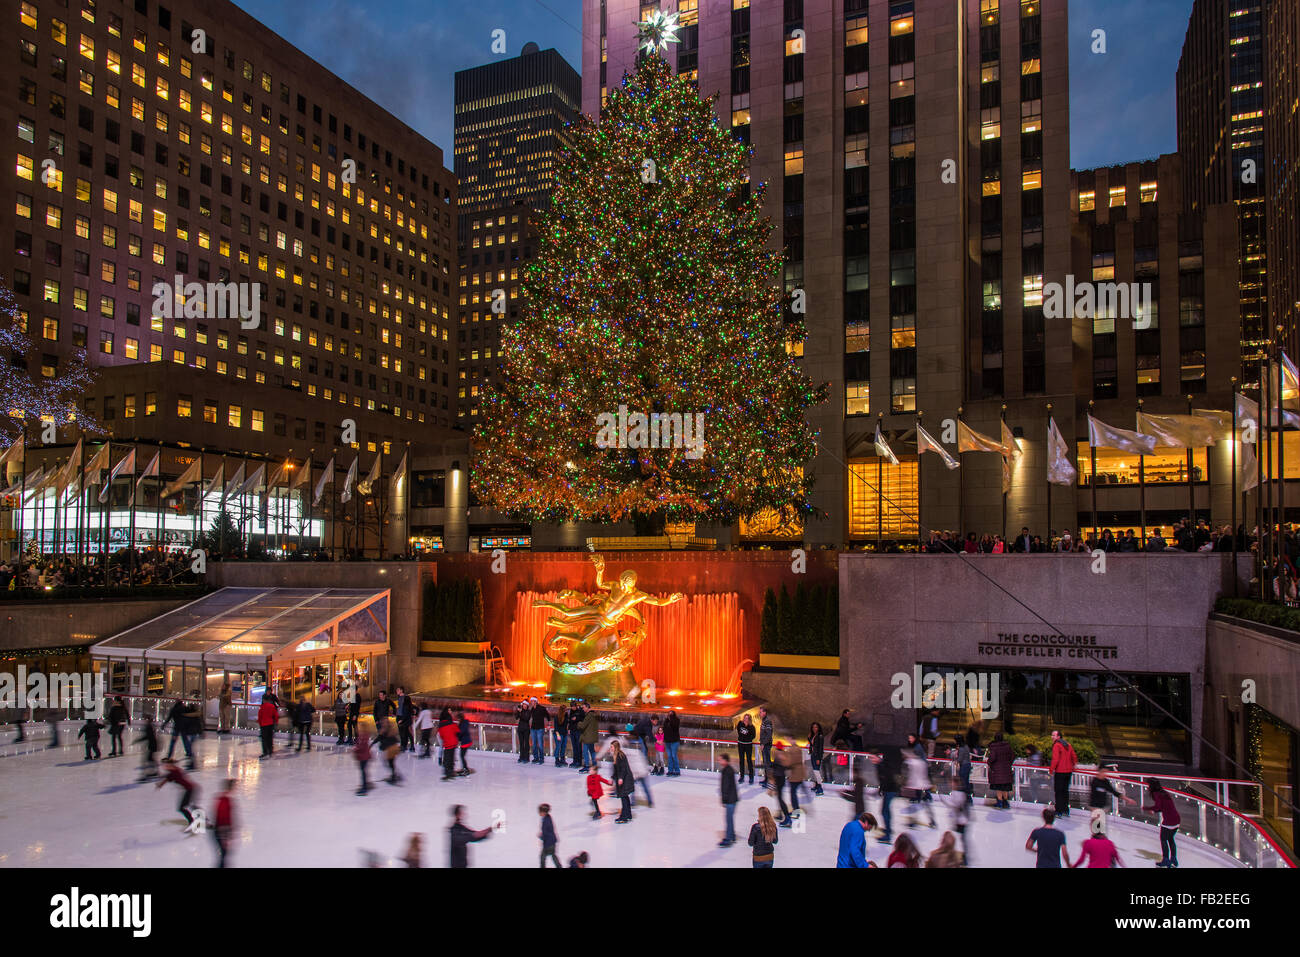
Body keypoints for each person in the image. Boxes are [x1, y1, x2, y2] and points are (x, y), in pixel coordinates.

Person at [1145, 779, 1182, 868]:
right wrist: (1153, 810)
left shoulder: (1156, 794)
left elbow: (1158, 807)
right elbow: (1162, 807)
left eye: (1148, 785)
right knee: (1170, 839)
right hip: (1176, 819)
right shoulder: (1164, 793)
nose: (1147, 787)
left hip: (1169, 821)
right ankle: (1173, 859)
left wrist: (1146, 808)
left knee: (1163, 839)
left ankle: (1166, 860)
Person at [1088, 767, 1136, 835]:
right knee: (1096, 829)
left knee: (1101, 830)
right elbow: (1093, 796)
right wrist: (1095, 810)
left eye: (1106, 772)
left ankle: (1100, 841)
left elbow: (1114, 792)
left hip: (1103, 808)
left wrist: (1127, 799)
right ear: (1099, 772)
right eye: (1103, 772)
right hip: (1095, 807)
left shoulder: (1105, 781)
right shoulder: (1094, 782)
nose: (1105, 774)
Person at [157, 758, 198, 826]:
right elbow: (167, 778)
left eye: (165, 765)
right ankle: (199, 819)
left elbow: (166, 779)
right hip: (189, 789)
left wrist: (160, 785)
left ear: (169, 765)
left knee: (182, 807)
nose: (164, 767)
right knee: (188, 806)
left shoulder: (173, 772)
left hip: (189, 789)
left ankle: (193, 821)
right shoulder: (174, 770)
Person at [874, 745, 902, 843]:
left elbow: (886, 778)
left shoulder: (883, 765)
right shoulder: (880, 765)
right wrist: (881, 789)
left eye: (873, 758)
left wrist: (883, 789)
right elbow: (882, 779)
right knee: (885, 810)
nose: (872, 760)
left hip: (891, 789)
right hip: (889, 789)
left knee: (884, 811)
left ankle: (888, 835)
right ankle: (888, 830)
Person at [903, 746, 936, 827]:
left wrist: (906, 784)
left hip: (915, 786)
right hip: (924, 786)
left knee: (914, 804)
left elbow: (908, 775)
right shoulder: (923, 762)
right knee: (926, 804)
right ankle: (932, 820)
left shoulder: (911, 762)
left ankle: (913, 821)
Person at [1050, 729, 1077, 817]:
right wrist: (1073, 766)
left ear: (1058, 737)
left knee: (1058, 791)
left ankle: (1058, 811)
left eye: (1054, 735)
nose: (1052, 737)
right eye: (1052, 735)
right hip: (1068, 772)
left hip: (1060, 772)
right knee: (1065, 791)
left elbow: (1055, 759)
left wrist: (1051, 770)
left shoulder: (1057, 745)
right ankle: (1065, 810)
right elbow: (1074, 756)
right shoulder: (1068, 745)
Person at [985, 731, 1015, 809]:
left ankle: (1000, 802)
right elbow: (1012, 756)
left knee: (998, 787)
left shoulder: (994, 747)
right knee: (1005, 787)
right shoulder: (1007, 746)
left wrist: (989, 762)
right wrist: (1008, 763)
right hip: (1006, 769)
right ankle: (1006, 802)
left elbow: (992, 757)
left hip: (997, 770)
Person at [212, 779, 236, 868]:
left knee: (224, 854)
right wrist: (225, 834)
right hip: (220, 830)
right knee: (224, 854)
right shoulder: (225, 801)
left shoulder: (223, 798)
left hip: (221, 830)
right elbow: (222, 817)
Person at [611, 740, 635, 823]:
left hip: (625, 779)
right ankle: (628, 815)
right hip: (624, 778)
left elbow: (623, 768)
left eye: (612, 747)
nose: (610, 748)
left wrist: (620, 778)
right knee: (625, 797)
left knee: (624, 797)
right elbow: (616, 769)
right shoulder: (616, 755)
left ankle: (624, 816)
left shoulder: (620, 755)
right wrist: (613, 778)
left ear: (615, 747)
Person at [718, 752, 739, 847]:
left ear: (725, 760)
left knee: (728, 819)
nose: (719, 761)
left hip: (730, 799)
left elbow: (725, 786)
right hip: (733, 798)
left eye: (720, 759)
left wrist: (724, 799)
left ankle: (728, 838)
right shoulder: (728, 769)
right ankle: (732, 836)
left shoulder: (726, 771)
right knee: (729, 818)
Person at [377, 717, 402, 785]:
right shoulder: (390, 729)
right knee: (390, 762)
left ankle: (394, 776)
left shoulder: (386, 730)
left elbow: (380, 739)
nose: (382, 723)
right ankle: (395, 775)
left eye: (383, 722)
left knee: (389, 762)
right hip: (393, 748)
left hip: (392, 749)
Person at [134, 714, 159, 780]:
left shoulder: (149, 726)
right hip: (152, 745)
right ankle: (154, 772)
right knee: (150, 759)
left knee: (146, 760)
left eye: (145, 719)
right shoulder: (150, 726)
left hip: (152, 745)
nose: (144, 720)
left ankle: (146, 774)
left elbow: (148, 736)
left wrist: (138, 740)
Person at [438, 711, 460, 781]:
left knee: (447, 759)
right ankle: (451, 772)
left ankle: (448, 774)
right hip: (454, 743)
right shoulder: (453, 724)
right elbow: (458, 731)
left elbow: (441, 736)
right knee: (451, 758)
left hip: (447, 744)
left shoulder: (441, 726)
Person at [736, 713, 756, 784]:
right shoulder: (740, 724)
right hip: (740, 744)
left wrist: (747, 738)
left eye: (747, 718)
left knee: (749, 761)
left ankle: (751, 777)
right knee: (741, 761)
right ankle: (741, 777)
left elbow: (753, 736)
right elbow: (738, 730)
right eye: (745, 718)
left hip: (748, 745)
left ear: (749, 719)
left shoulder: (752, 727)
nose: (745, 719)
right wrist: (742, 737)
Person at [578, 704, 599, 771]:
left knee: (585, 751)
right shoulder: (594, 715)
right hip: (592, 736)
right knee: (592, 751)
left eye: (583, 707)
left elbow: (583, 726)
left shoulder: (589, 715)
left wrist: (578, 723)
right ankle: (594, 765)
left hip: (587, 736)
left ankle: (587, 766)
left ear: (587, 707)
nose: (583, 709)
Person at [807, 722, 826, 795]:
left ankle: (820, 788)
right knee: (815, 772)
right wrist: (809, 738)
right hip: (813, 755)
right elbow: (812, 745)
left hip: (816, 756)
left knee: (817, 772)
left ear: (818, 728)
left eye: (816, 727)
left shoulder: (820, 736)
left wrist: (818, 758)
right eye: (813, 727)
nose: (814, 728)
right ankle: (816, 786)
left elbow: (820, 748)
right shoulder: (814, 735)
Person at [257, 694, 278, 758]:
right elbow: (275, 715)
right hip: (270, 724)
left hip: (264, 724)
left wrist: (260, 723)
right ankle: (270, 750)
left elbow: (260, 716)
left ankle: (265, 751)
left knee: (264, 739)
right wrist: (276, 722)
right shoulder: (272, 706)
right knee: (269, 737)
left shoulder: (262, 707)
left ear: (263, 700)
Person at [529, 697, 548, 765]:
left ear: (536, 702)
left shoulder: (541, 708)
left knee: (540, 744)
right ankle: (535, 758)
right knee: (534, 744)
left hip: (540, 728)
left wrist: (549, 723)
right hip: (533, 728)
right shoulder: (532, 709)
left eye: (533, 701)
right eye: (531, 701)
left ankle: (541, 758)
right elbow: (529, 716)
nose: (532, 702)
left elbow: (547, 715)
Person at [354, 727, 373, 795]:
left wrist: (355, 750)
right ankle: (365, 785)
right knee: (363, 771)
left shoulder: (363, 737)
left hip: (364, 757)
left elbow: (361, 747)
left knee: (363, 772)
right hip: (363, 757)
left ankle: (364, 787)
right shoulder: (362, 737)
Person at [663, 708, 682, 776]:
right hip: (667, 742)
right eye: (669, 714)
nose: (669, 715)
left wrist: (670, 719)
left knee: (674, 756)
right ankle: (670, 770)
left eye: (671, 714)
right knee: (669, 756)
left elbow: (674, 727)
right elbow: (664, 729)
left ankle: (677, 771)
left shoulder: (676, 720)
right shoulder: (666, 721)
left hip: (674, 741)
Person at [395, 686, 414, 753]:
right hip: (400, 716)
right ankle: (403, 745)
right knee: (401, 732)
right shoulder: (399, 697)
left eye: (398, 690)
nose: (396, 691)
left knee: (406, 732)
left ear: (401, 690)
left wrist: (402, 719)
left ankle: (408, 746)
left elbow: (406, 709)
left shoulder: (406, 698)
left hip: (404, 717)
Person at [758, 707, 774, 785]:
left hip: (766, 745)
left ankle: (768, 780)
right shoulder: (764, 721)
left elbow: (769, 734)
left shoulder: (767, 722)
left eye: (760, 712)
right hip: (765, 745)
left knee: (767, 763)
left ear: (764, 712)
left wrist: (763, 744)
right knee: (766, 763)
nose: (759, 714)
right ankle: (767, 779)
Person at [457, 709, 474, 774]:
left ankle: (465, 769)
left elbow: (461, 732)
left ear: (460, 718)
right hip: (466, 741)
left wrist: (457, 736)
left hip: (465, 742)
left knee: (462, 756)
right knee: (462, 756)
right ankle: (464, 768)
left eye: (458, 719)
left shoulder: (463, 724)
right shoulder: (463, 723)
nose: (457, 720)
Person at [567, 703, 584, 768]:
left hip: (578, 731)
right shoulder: (571, 711)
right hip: (572, 731)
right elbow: (569, 721)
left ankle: (579, 762)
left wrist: (576, 718)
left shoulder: (580, 711)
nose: (573, 708)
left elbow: (583, 719)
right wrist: (569, 729)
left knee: (578, 746)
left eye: (574, 706)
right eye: (572, 707)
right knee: (574, 747)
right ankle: (574, 761)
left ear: (576, 706)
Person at [515, 699, 532, 764]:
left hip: (526, 729)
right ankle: (521, 757)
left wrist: (521, 712)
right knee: (521, 743)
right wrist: (518, 711)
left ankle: (526, 757)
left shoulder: (528, 711)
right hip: (520, 729)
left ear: (527, 705)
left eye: (525, 705)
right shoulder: (520, 711)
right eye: (523, 704)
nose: (524, 706)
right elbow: (516, 717)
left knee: (526, 743)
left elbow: (526, 718)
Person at [553, 702, 569, 767]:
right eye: (565, 710)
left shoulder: (566, 715)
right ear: (562, 710)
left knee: (563, 747)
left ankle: (562, 759)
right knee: (558, 747)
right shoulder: (557, 717)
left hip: (564, 734)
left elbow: (567, 724)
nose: (567, 711)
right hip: (558, 734)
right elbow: (556, 727)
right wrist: (558, 735)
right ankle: (557, 760)